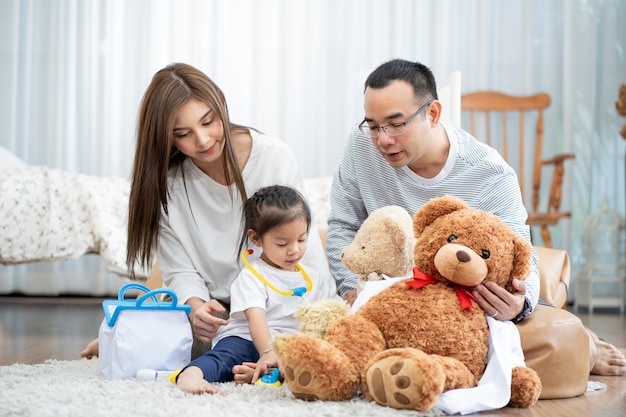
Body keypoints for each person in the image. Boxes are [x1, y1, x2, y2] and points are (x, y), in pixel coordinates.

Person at [326, 58, 625, 376]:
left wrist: (519, 304)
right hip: (390, 291)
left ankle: (581, 342)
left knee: (516, 345)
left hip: (461, 299)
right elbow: (342, 225)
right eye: (373, 125)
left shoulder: (489, 173)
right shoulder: (362, 147)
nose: (383, 139)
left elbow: (523, 260)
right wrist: (351, 290)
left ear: (433, 113)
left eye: (396, 124)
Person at [82, 62, 336, 360]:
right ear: (167, 137)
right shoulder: (167, 183)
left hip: (276, 301)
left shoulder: (273, 157)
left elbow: (298, 241)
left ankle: (134, 337)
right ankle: (127, 337)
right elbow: (179, 269)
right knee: (186, 345)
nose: (203, 141)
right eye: (183, 133)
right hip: (217, 307)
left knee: (313, 345)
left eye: (208, 121)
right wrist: (197, 306)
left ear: (221, 103)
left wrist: (323, 309)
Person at [176, 185, 338, 394]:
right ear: (256, 239)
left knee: (314, 358)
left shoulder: (312, 277)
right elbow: (256, 319)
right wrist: (268, 351)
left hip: (287, 343)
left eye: (301, 239)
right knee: (227, 355)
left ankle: (262, 371)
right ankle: (191, 375)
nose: (294, 250)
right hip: (248, 338)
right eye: (282, 244)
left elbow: (324, 315)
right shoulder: (252, 277)